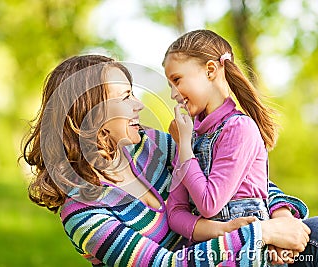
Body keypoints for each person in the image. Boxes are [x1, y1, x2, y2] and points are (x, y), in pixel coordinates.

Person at [21, 54, 315, 266]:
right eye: (125, 97)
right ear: (91, 113)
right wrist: (260, 234)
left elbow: (238, 179)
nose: (138, 105)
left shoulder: (155, 146)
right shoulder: (83, 213)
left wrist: (282, 221)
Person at [163, 29, 315, 265]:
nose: (173, 94)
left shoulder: (239, 128)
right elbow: (175, 213)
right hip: (215, 254)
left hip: (255, 254)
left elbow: (208, 203)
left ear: (210, 70)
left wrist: (184, 146)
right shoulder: (188, 140)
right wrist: (220, 230)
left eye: (177, 80)